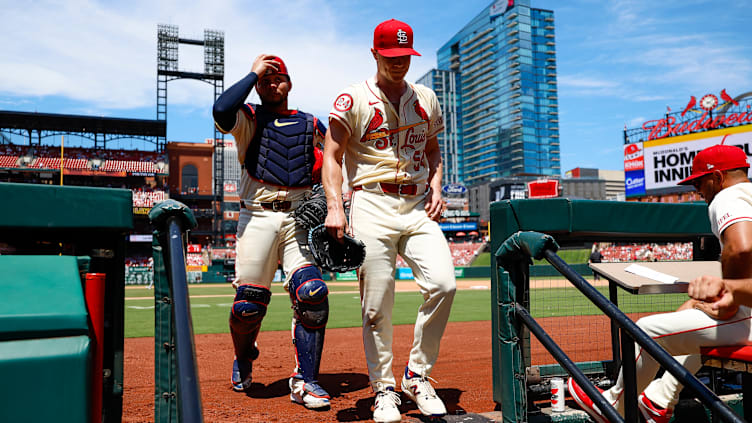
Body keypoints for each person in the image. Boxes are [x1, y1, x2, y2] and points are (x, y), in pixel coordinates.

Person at [322, 18, 457, 423]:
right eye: (391, 56)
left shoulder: (426, 99)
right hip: (371, 203)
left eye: (405, 57)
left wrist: (437, 184)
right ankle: (384, 388)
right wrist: (334, 206)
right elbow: (331, 155)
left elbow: (433, 150)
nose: (399, 64)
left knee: (444, 284)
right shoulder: (353, 99)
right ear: (375, 53)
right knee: (376, 304)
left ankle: (417, 375)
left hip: (416, 206)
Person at [567, 144, 752, 423]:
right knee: (693, 317)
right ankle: (659, 399)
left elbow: (741, 248)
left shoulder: (727, 196)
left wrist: (731, 299)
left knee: (646, 331)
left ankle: (614, 404)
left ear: (717, 178)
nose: (697, 190)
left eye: (700, 182)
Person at [212, 54, 331, 409]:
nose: (271, 83)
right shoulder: (247, 118)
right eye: (265, 79)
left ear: (289, 83)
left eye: (277, 77)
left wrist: (331, 200)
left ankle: (306, 381)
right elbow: (220, 109)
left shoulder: (311, 124)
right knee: (248, 306)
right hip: (256, 218)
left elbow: (336, 163)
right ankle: (244, 356)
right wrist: (253, 72)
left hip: (299, 218)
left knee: (312, 294)